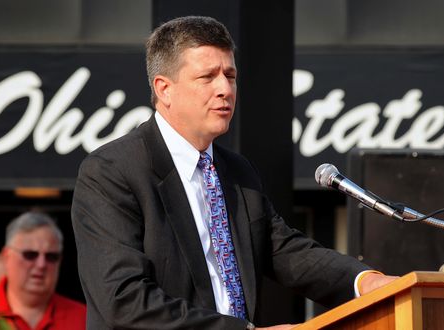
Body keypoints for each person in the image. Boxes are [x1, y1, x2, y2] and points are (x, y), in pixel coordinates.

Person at [71, 16, 397, 330]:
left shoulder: (237, 171)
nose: (224, 89)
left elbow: (286, 251)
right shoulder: (111, 172)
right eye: (207, 77)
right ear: (164, 89)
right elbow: (123, 300)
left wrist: (366, 280)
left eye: (230, 75)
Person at [0, 212, 86, 330]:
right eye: (30, 255)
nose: (41, 264)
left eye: (51, 257)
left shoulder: (84, 318)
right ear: (7, 256)